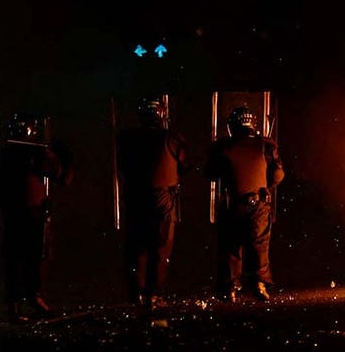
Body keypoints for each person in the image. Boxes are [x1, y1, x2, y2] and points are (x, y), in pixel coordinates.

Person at [0, 113, 72, 323]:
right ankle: (32, 297)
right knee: (35, 255)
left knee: (14, 256)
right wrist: (63, 155)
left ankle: (15, 302)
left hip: (11, 212)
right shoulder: (35, 152)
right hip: (31, 213)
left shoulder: (5, 154)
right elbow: (63, 178)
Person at [116, 97, 190, 312]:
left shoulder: (127, 137)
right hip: (161, 198)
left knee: (136, 246)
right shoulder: (171, 137)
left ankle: (135, 293)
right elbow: (185, 165)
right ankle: (153, 294)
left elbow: (122, 166)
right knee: (160, 247)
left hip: (135, 196)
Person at [205, 105, 284, 302]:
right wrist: (266, 187)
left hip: (232, 203)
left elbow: (210, 174)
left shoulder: (222, 146)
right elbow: (278, 174)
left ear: (232, 126)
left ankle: (230, 288)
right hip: (258, 203)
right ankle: (259, 284)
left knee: (230, 246)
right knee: (259, 244)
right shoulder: (266, 145)